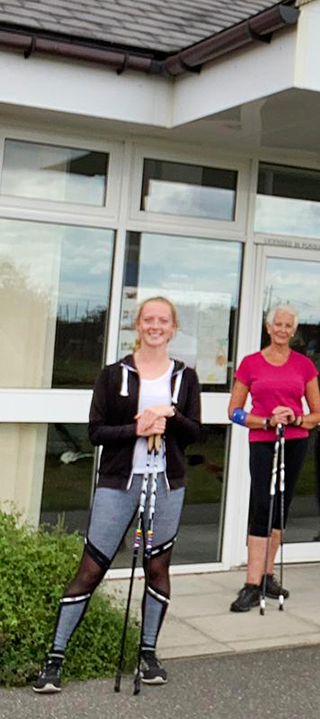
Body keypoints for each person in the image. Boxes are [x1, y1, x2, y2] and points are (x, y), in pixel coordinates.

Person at [33, 297, 202, 693]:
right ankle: (54, 659)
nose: (155, 326)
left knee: (157, 568)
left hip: (166, 484)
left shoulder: (185, 377)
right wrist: (137, 430)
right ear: (137, 325)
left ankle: (148, 654)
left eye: (163, 320)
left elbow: (196, 435)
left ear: (173, 328)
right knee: (91, 569)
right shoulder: (113, 375)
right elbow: (96, 432)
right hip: (118, 483)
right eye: (148, 319)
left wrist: (171, 417)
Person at [227, 304, 320, 612]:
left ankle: (268, 575)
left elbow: (318, 412)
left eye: (288, 325)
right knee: (261, 506)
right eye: (277, 324)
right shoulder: (251, 364)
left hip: (294, 440)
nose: (282, 330)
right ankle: (251, 583)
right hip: (263, 440)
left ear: (294, 331)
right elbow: (234, 410)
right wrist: (266, 420)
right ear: (269, 328)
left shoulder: (304, 365)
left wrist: (296, 419)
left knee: (282, 505)